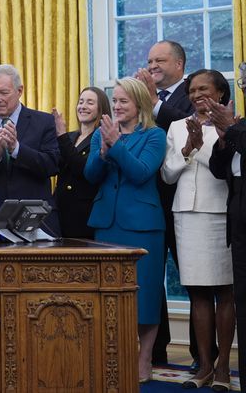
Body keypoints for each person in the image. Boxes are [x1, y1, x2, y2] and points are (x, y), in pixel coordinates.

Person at [84, 77, 166, 383]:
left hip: (143, 227)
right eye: (114, 100)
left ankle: (144, 359)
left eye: (123, 101)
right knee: (108, 296)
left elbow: (141, 173)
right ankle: (113, 356)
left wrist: (116, 145)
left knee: (145, 298)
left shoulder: (155, 135)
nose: (116, 106)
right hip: (107, 224)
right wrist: (103, 151)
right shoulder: (100, 134)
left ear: (139, 104)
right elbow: (91, 175)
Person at [160, 69, 233, 389]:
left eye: (204, 89)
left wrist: (202, 143)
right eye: (191, 90)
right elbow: (168, 175)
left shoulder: (233, 123)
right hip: (186, 216)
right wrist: (188, 147)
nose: (195, 94)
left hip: (220, 215)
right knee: (197, 294)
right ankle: (204, 366)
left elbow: (226, 171)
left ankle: (224, 370)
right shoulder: (176, 127)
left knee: (225, 293)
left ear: (220, 93)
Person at [136, 40, 197, 366]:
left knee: (193, 281)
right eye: (149, 60)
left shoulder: (192, 93)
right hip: (151, 203)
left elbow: (191, 125)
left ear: (179, 64)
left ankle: (203, 356)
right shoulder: (142, 98)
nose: (152, 65)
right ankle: (155, 352)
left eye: (160, 60)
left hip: (189, 205)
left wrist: (157, 103)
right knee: (150, 280)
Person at [0, 64, 61, 238]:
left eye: (3, 92)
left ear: (19, 91)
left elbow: (52, 165)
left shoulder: (43, 122)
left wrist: (17, 149)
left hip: (34, 220)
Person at [209, 62, 246, 387]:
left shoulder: (239, 126)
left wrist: (231, 129)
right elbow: (220, 169)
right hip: (237, 221)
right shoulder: (239, 125)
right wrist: (223, 139)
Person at [52, 87, 111, 239]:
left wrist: (62, 136)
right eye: (81, 102)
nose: (83, 106)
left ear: (101, 109)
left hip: (84, 214)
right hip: (59, 212)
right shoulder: (70, 136)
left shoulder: (102, 137)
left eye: (90, 102)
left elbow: (84, 169)